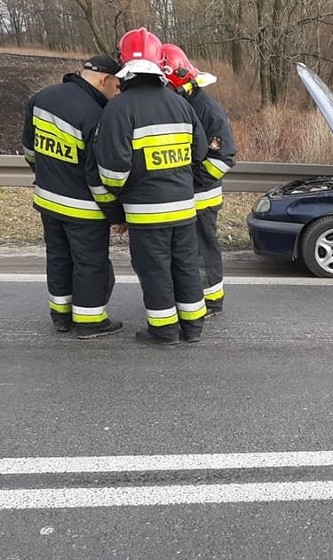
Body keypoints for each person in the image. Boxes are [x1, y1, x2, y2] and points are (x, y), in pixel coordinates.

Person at [94, 28, 208, 346]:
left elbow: (113, 170)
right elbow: (199, 153)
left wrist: (118, 202)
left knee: (155, 269)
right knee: (185, 265)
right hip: (184, 208)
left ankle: (164, 330)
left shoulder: (118, 108)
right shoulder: (180, 104)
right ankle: (193, 326)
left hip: (146, 213)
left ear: (123, 63)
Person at [21, 55, 125, 338]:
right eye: (117, 86)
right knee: (90, 263)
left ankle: (61, 316)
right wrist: (115, 214)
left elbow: (30, 149)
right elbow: (96, 176)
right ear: (104, 79)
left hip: (47, 200)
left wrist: (45, 175)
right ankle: (90, 321)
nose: (117, 92)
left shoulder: (42, 97)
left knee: (58, 257)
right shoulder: (94, 115)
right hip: (83, 208)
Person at [161, 43, 237, 317]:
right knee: (184, 252)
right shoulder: (181, 105)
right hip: (183, 196)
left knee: (203, 248)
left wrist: (187, 181)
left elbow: (222, 158)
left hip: (201, 197)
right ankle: (190, 296)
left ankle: (212, 300)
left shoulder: (206, 108)